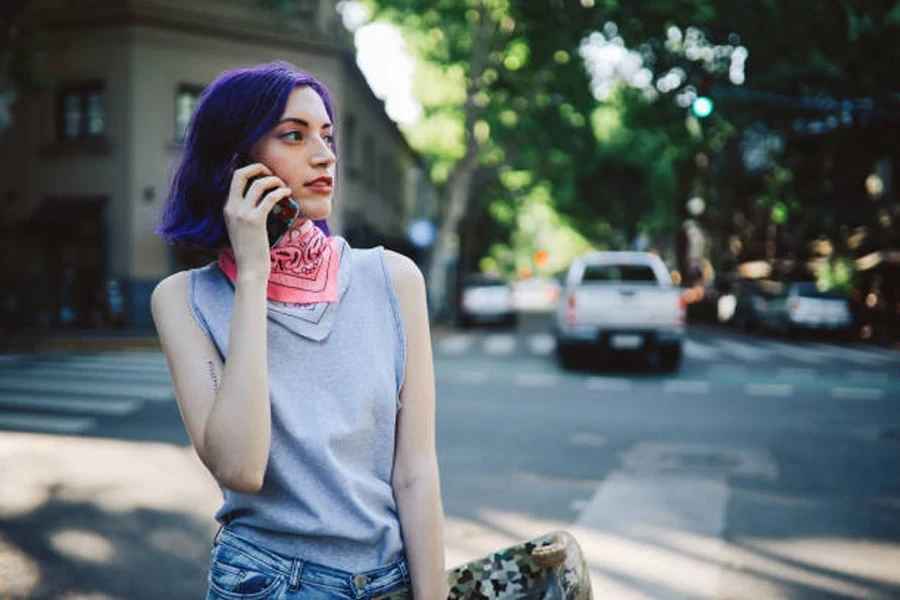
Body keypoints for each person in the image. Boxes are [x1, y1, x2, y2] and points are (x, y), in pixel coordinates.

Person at [151, 60, 447, 599]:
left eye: (328, 137)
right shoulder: (182, 300)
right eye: (294, 135)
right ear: (238, 161)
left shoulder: (393, 279)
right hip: (268, 583)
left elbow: (416, 472)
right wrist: (253, 275)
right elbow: (240, 467)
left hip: (391, 581)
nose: (325, 155)